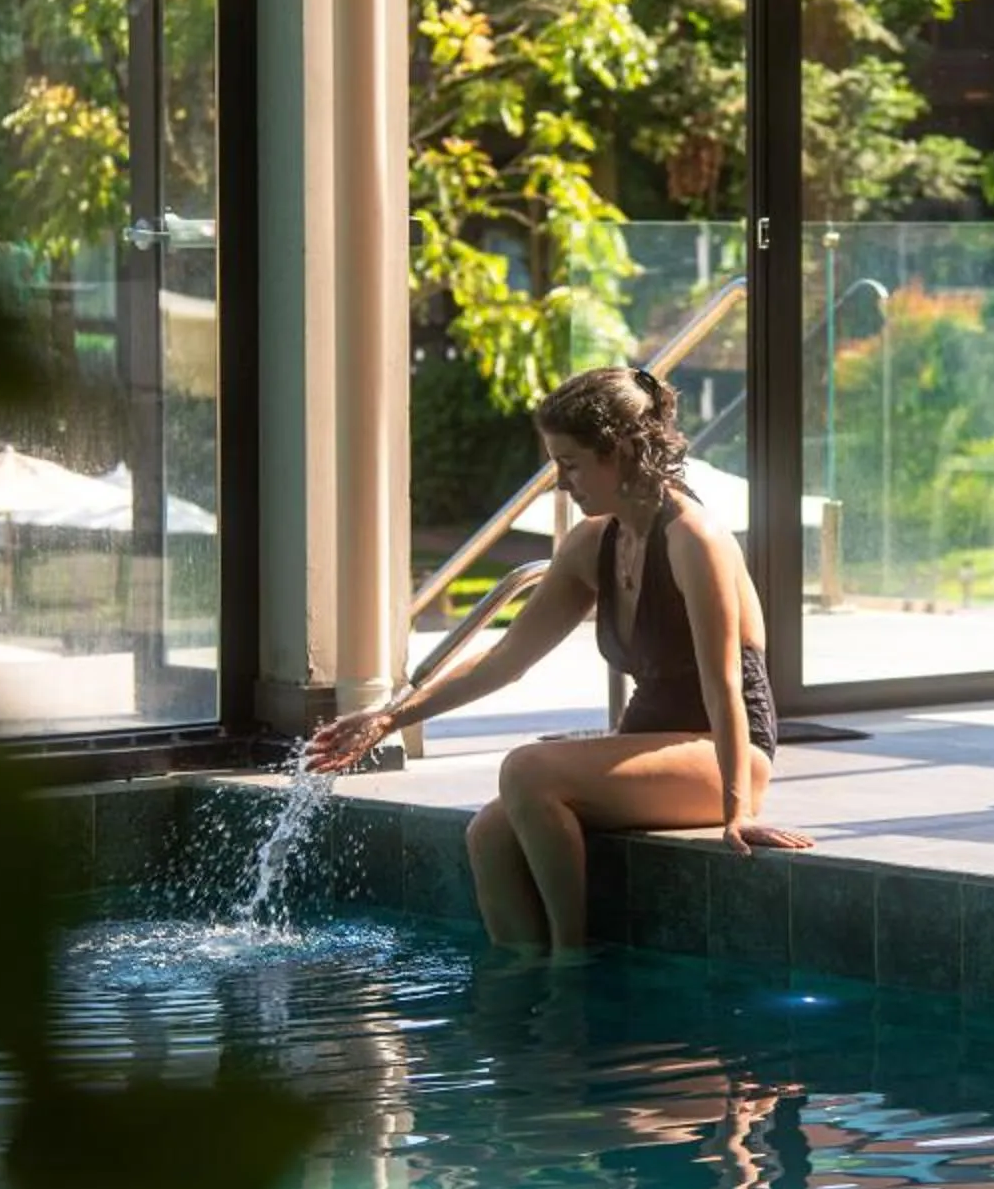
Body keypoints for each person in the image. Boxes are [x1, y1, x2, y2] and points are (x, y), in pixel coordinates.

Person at [305, 365, 811, 952]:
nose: (561, 483)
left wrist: (738, 810)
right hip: (650, 742)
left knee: (527, 769)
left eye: (570, 464)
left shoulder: (693, 540)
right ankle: (521, 981)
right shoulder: (596, 540)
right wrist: (390, 718)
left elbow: (725, 685)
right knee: (489, 835)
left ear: (621, 451)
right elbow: (506, 658)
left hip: (728, 756)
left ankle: (572, 963)